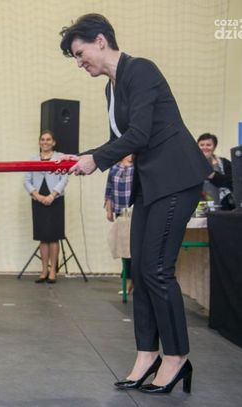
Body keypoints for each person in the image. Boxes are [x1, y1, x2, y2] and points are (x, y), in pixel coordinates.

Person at [60, 14, 212, 393]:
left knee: (157, 269)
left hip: (176, 178)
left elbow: (140, 134)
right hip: (151, 183)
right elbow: (122, 140)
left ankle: (176, 357)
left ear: (100, 40)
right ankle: (147, 354)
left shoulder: (140, 70)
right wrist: (84, 156)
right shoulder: (110, 89)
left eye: (79, 54)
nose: (79, 63)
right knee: (141, 271)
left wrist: (96, 160)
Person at [23, 130, 69, 284]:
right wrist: (38, 196)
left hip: (55, 200)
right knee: (43, 237)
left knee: (54, 237)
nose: (45, 142)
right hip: (38, 200)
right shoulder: (33, 159)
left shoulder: (60, 157)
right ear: (39, 142)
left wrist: (52, 195)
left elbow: (64, 179)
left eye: (48, 139)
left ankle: (53, 271)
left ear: (53, 142)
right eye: (42, 139)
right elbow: (26, 181)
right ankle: (44, 271)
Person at [105, 154, 134, 295]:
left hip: (136, 211)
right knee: (125, 250)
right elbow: (109, 189)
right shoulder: (114, 167)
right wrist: (108, 209)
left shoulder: (138, 166)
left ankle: (138, 281)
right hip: (121, 212)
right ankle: (128, 281)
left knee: (136, 249)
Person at [197, 133, 234, 210]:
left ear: (214, 147)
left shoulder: (224, 163)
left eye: (208, 145)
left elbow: (232, 182)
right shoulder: (190, 164)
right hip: (198, 207)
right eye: (202, 145)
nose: (205, 147)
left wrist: (213, 175)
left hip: (222, 207)